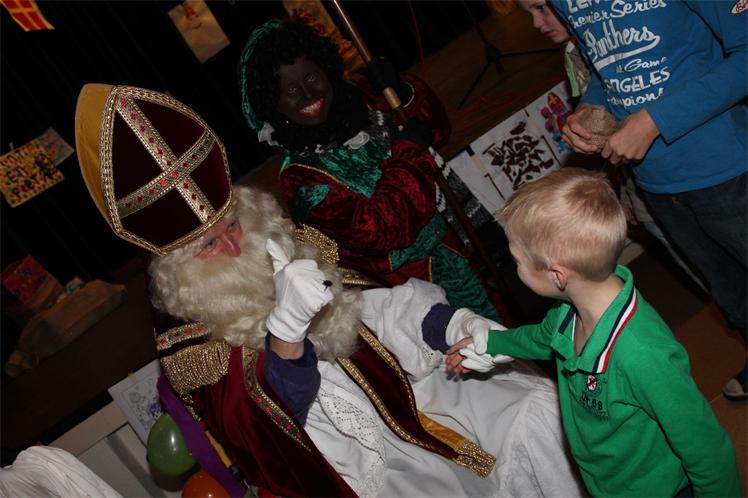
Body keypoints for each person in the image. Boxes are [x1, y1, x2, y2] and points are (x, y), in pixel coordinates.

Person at [74, 83, 584, 497]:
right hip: (353, 463)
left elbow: (376, 306)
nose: (234, 247)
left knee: (535, 411)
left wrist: (449, 324)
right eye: (211, 245)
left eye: (232, 226)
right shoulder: (190, 348)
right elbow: (272, 439)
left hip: (406, 390)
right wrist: (286, 333)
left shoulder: (280, 243)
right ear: (179, 265)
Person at [446, 168, 741, 497]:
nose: (514, 268)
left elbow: (707, 450)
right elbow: (542, 339)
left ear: (557, 275)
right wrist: (491, 343)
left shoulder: (642, 355)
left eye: (517, 260)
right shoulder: (567, 312)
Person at [237, 18, 511, 324]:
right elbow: (378, 231)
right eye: (290, 89)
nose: (307, 94)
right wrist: (409, 153)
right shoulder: (300, 177)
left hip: (464, 244)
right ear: (273, 103)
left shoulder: (361, 100)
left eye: (311, 77)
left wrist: (403, 90)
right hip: (419, 294)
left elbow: (436, 129)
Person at [549, 0, 747, 400]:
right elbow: (610, 70)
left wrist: (656, 120)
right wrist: (591, 107)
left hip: (727, 164)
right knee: (732, 294)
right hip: (659, 183)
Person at [516, 0, 706, 292]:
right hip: (639, 176)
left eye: (542, 7)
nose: (536, 24)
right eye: (528, 13)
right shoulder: (573, 52)